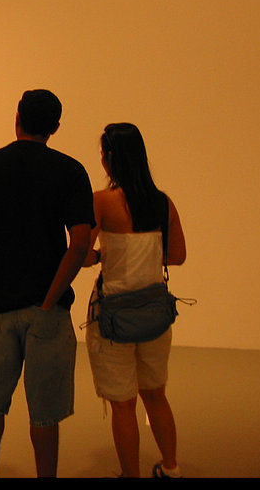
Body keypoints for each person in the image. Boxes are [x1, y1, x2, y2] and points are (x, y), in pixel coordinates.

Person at [0, 89, 95, 477]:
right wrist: (50, 298)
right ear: (55, 127)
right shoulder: (71, 171)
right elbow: (80, 243)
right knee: (45, 415)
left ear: (17, 118)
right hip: (47, 310)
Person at [81, 122, 187, 478]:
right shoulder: (162, 203)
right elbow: (177, 256)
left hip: (113, 315)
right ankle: (171, 467)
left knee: (123, 405)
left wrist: (102, 256)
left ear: (110, 158)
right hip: (154, 314)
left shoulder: (102, 201)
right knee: (155, 395)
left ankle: (131, 475)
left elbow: (82, 253)